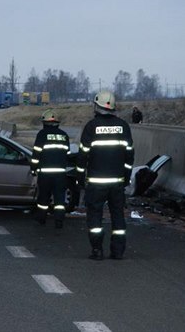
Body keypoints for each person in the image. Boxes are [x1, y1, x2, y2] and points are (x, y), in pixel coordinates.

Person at [77, 91, 134, 260]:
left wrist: (80, 178)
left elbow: (83, 156)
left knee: (95, 217)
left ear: (97, 106)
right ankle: (117, 252)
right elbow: (129, 156)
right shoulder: (123, 126)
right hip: (117, 183)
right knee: (118, 217)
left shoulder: (91, 127)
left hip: (96, 183)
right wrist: (125, 177)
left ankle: (97, 250)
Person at [30, 109, 70, 229]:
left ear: (44, 122)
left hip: (45, 173)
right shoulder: (64, 135)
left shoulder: (42, 134)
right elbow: (67, 153)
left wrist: (33, 169)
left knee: (44, 197)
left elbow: (36, 154)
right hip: (60, 174)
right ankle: (59, 221)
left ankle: (41, 218)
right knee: (59, 198)